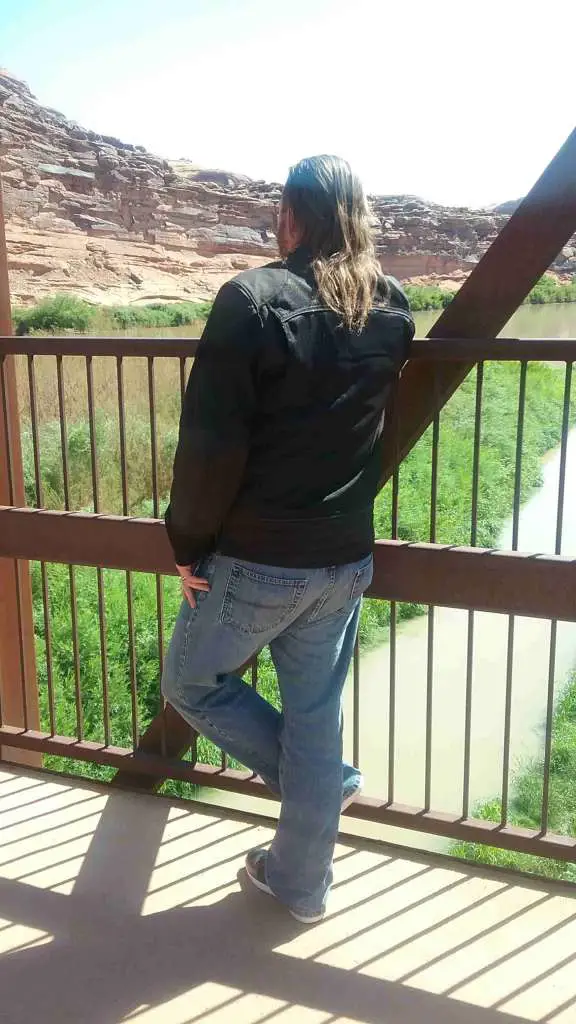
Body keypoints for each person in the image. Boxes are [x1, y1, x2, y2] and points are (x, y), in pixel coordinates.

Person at [162, 155, 414, 924]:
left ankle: (322, 784)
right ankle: (300, 882)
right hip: (344, 560)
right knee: (313, 714)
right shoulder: (393, 304)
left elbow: (210, 442)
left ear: (291, 216)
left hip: (256, 562)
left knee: (190, 683)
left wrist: (186, 545)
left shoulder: (251, 299)